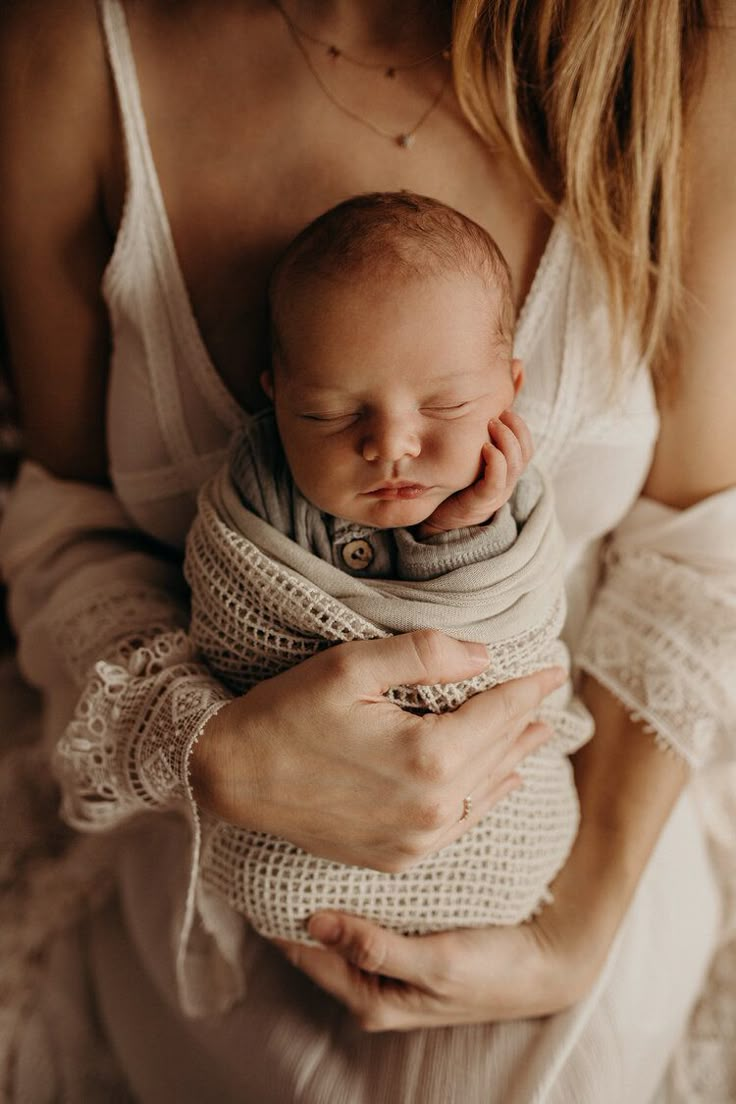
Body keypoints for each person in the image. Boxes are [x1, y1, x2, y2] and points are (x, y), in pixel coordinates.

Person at [0, 1, 733, 1101]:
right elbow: (68, 526)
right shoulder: (65, 45)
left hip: (587, 943)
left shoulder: (680, 45)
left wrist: (575, 928)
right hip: (207, 956)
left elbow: (702, 538)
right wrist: (206, 747)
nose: (391, 446)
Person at [184, 189, 593, 944]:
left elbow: (511, 623)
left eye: (442, 408)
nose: (391, 445)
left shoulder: (502, 511)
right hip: (284, 824)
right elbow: (231, 631)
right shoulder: (261, 494)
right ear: (275, 402)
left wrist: (466, 527)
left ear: (510, 388)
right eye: (331, 415)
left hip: (501, 827)